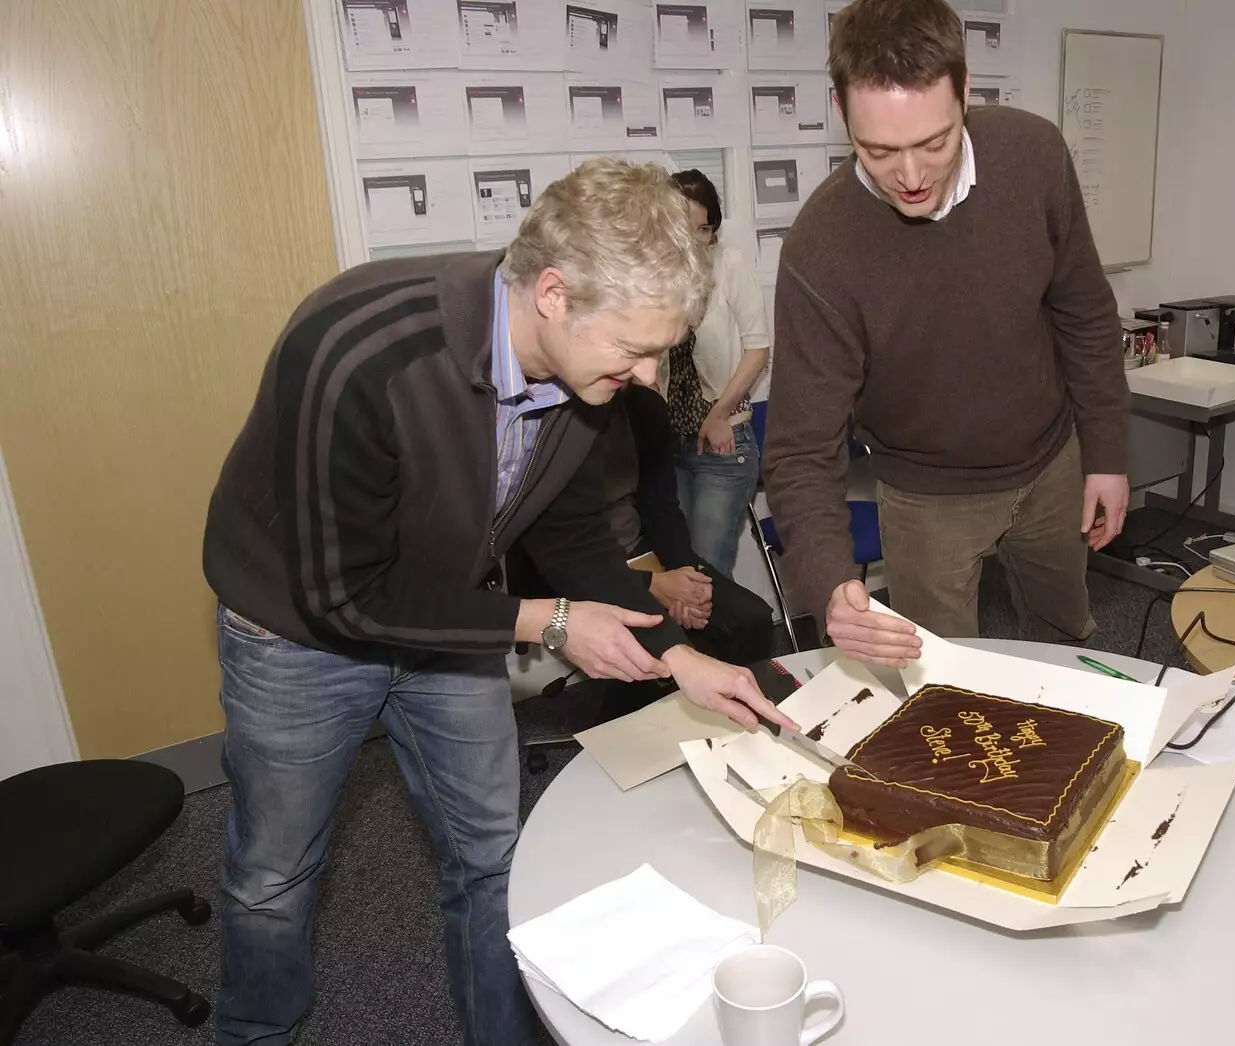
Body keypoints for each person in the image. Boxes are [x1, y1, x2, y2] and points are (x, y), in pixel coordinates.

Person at [200, 158, 797, 1046]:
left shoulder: (584, 375)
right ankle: (256, 1034)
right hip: (299, 638)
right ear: (553, 292)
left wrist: (678, 654)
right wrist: (549, 622)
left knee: (492, 860)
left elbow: (567, 534)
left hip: (452, 619)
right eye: (633, 350)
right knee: (275, 876)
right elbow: (344, 596)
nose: (644, 379)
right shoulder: (361, 351)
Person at [763, 0, 1132, 667]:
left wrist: (1105, 451)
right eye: (878, 150)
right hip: (925, 496)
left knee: (1070, 648)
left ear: (965, 92)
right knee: (943, 687)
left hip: (1053, 462)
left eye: (932, 142)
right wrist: (832, 586)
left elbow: (1084, 309)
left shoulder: (1033, 155)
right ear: (843, 114)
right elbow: (799, 450)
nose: (910, 176)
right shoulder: (822, 249)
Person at [509, 382, 777, 719]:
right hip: (567, 570)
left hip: (643, 553)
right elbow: (561, 547)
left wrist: (683, 578)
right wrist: (653, 586)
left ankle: (725, 725)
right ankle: (627, 736)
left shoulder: (644, 408)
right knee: (648, 644)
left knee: (749, 619)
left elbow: (662, 507)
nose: (649, 371)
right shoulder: (551, 418)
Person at [659, 169, 772, 575]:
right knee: (679, 571)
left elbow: (758, 348)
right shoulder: (657, 275)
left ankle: (715, 642)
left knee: (708, 574)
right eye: (686, 230)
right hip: (670, 444)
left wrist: (721, 413)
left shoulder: (730, 265)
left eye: (705, 230)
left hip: (723, 446)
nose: (696, 241)